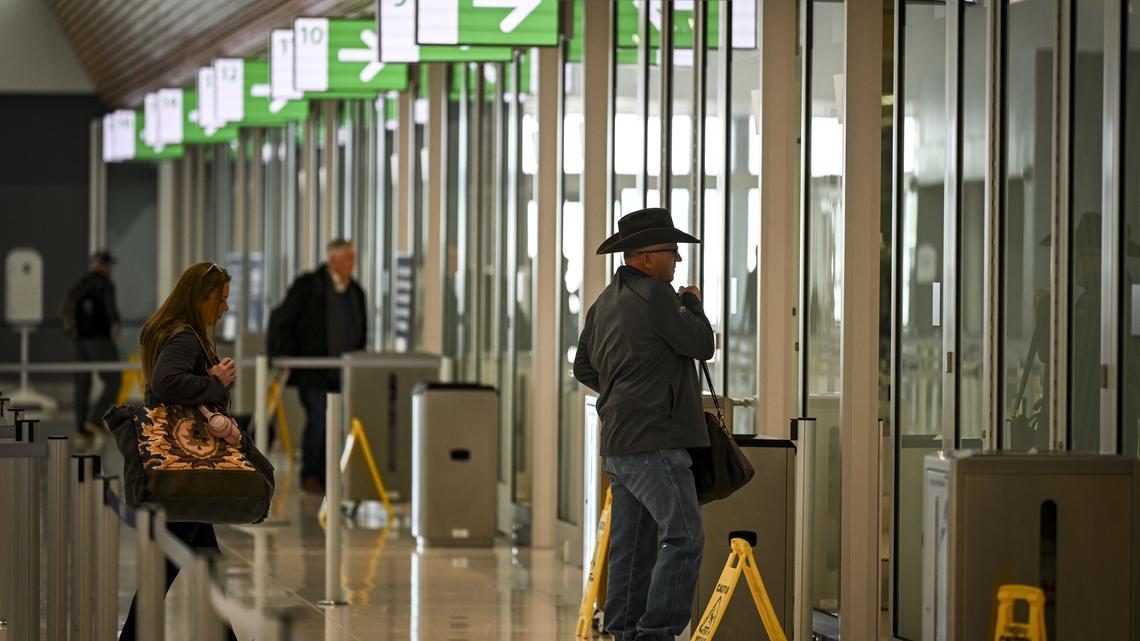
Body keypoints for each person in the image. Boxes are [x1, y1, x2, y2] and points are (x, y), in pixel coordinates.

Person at [573, 207, 714, 641]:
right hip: (655, 441)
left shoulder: (604, 302)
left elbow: (583, 368)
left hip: (618, 443)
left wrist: (622, 392)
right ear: (646, 257)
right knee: (685, 537)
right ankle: (656, 634)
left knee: (630, 549)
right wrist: (692, 304)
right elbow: (702, 343)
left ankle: (623, 631)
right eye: (672, 252)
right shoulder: (656, 295)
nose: (677, 261)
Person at [120, 261, 239, 641]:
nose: (224, 308)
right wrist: (215, 382)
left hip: (177, 464)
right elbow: (166, 382)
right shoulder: (186, 337)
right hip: (185, 464)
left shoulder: (170, 331)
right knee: (169, 568)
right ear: (199, 298)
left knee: (204, 563)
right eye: (220, 300)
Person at [267, 239, 367, 493]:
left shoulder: (355, 291)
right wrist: (283, 354)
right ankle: (311, 473)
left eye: (353, 258)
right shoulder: (309, 285)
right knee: (319, 418)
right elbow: (283, 318)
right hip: (313, 370)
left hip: (343, 372)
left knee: (336, 421)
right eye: (347, 258)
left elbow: (361, 330)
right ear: (333, 260)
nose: (351, 264)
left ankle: (327, 473)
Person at [61, 250, 122, 447]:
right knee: (114, 379)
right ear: (104, 266)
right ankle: (95, 419)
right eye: (108, 265)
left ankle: (81, 431)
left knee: (82, 384)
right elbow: (110, 308)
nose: (110, 269)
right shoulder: (105, 284)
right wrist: (116, 322)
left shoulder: (81, 283)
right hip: (99, 340)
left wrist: (72, 330)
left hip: (79, 341)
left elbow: (65, 307)